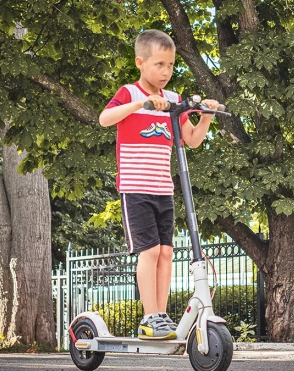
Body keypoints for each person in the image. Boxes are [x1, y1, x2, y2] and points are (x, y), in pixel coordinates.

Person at [99, 29, 219, 340]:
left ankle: (161, 317)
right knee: (149, 252)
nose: (165, 72)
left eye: (170, 65)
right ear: (140, 62)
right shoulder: (130, 93)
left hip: (163, 189)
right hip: (135, 189)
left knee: (166, 252)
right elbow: (105, 118)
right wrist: (142, 105)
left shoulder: (174, 100)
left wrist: (205, 116)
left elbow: (191, 140)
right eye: (159, 65)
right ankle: (149, 317)